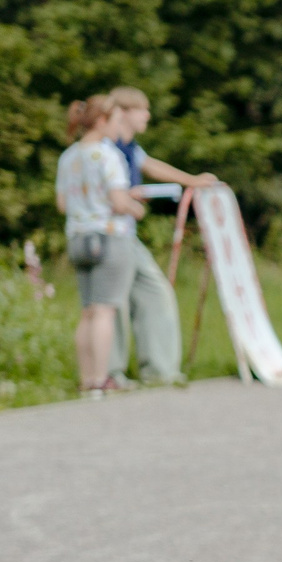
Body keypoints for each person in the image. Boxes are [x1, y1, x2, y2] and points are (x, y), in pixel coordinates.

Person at [102, 87, 214, 386]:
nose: (148, 115)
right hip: (109, 234)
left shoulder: (129, 147)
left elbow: (150, 165)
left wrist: (192, 180)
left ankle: (159, 370)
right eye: (142, 109)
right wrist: (127, 197)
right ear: (123, 112)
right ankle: (110, 373)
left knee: (154, 291)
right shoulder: (104, 147)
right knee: (114, 303)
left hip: (126, 234)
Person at [55, 95, 137, 395]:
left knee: (88, 311)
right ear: (102, 121)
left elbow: (62, 204)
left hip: (78, 237)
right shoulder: (107, 155)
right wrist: (135, 208)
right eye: (116, 120)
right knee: (105, 311)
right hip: (108, 236)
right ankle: (101, 379)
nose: (119, 127)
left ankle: (87, 379)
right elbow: (118, 201)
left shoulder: (68, 157)